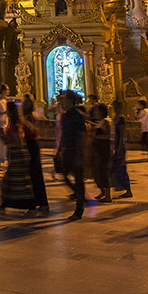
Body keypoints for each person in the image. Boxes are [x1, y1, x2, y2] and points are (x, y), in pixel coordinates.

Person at [0, 100, 37, 212]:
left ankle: (30, 205)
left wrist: (6, 139)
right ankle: (5, 204)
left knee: (20, 182)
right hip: (15, 155)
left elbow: (18, 141)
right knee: (11, 181)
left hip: (18, 155)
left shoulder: (15, 125)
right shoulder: (13, 123)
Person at [59, 90, 88, 219]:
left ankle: (79, 209)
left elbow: (82, 134)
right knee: (65, 175)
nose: (62, 102)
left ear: (70, 101)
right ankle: (79, 195)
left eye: (64, 100)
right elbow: (64, 134)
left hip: (76, 150)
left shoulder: (78, 115)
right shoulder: (65, 116)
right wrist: (60, 149)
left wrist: (79, 153)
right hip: (68, 149)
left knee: (78, 179)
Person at [89, 102, 114, 203]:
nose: (95, 113)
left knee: (103, 171)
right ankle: (102, 191)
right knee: (97, 171)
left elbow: (107, 136)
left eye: (97, 111)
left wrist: (95, 136)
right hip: (98, 149)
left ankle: (108, 195)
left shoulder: (106, 122)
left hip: (103, 149)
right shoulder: (100, 122)